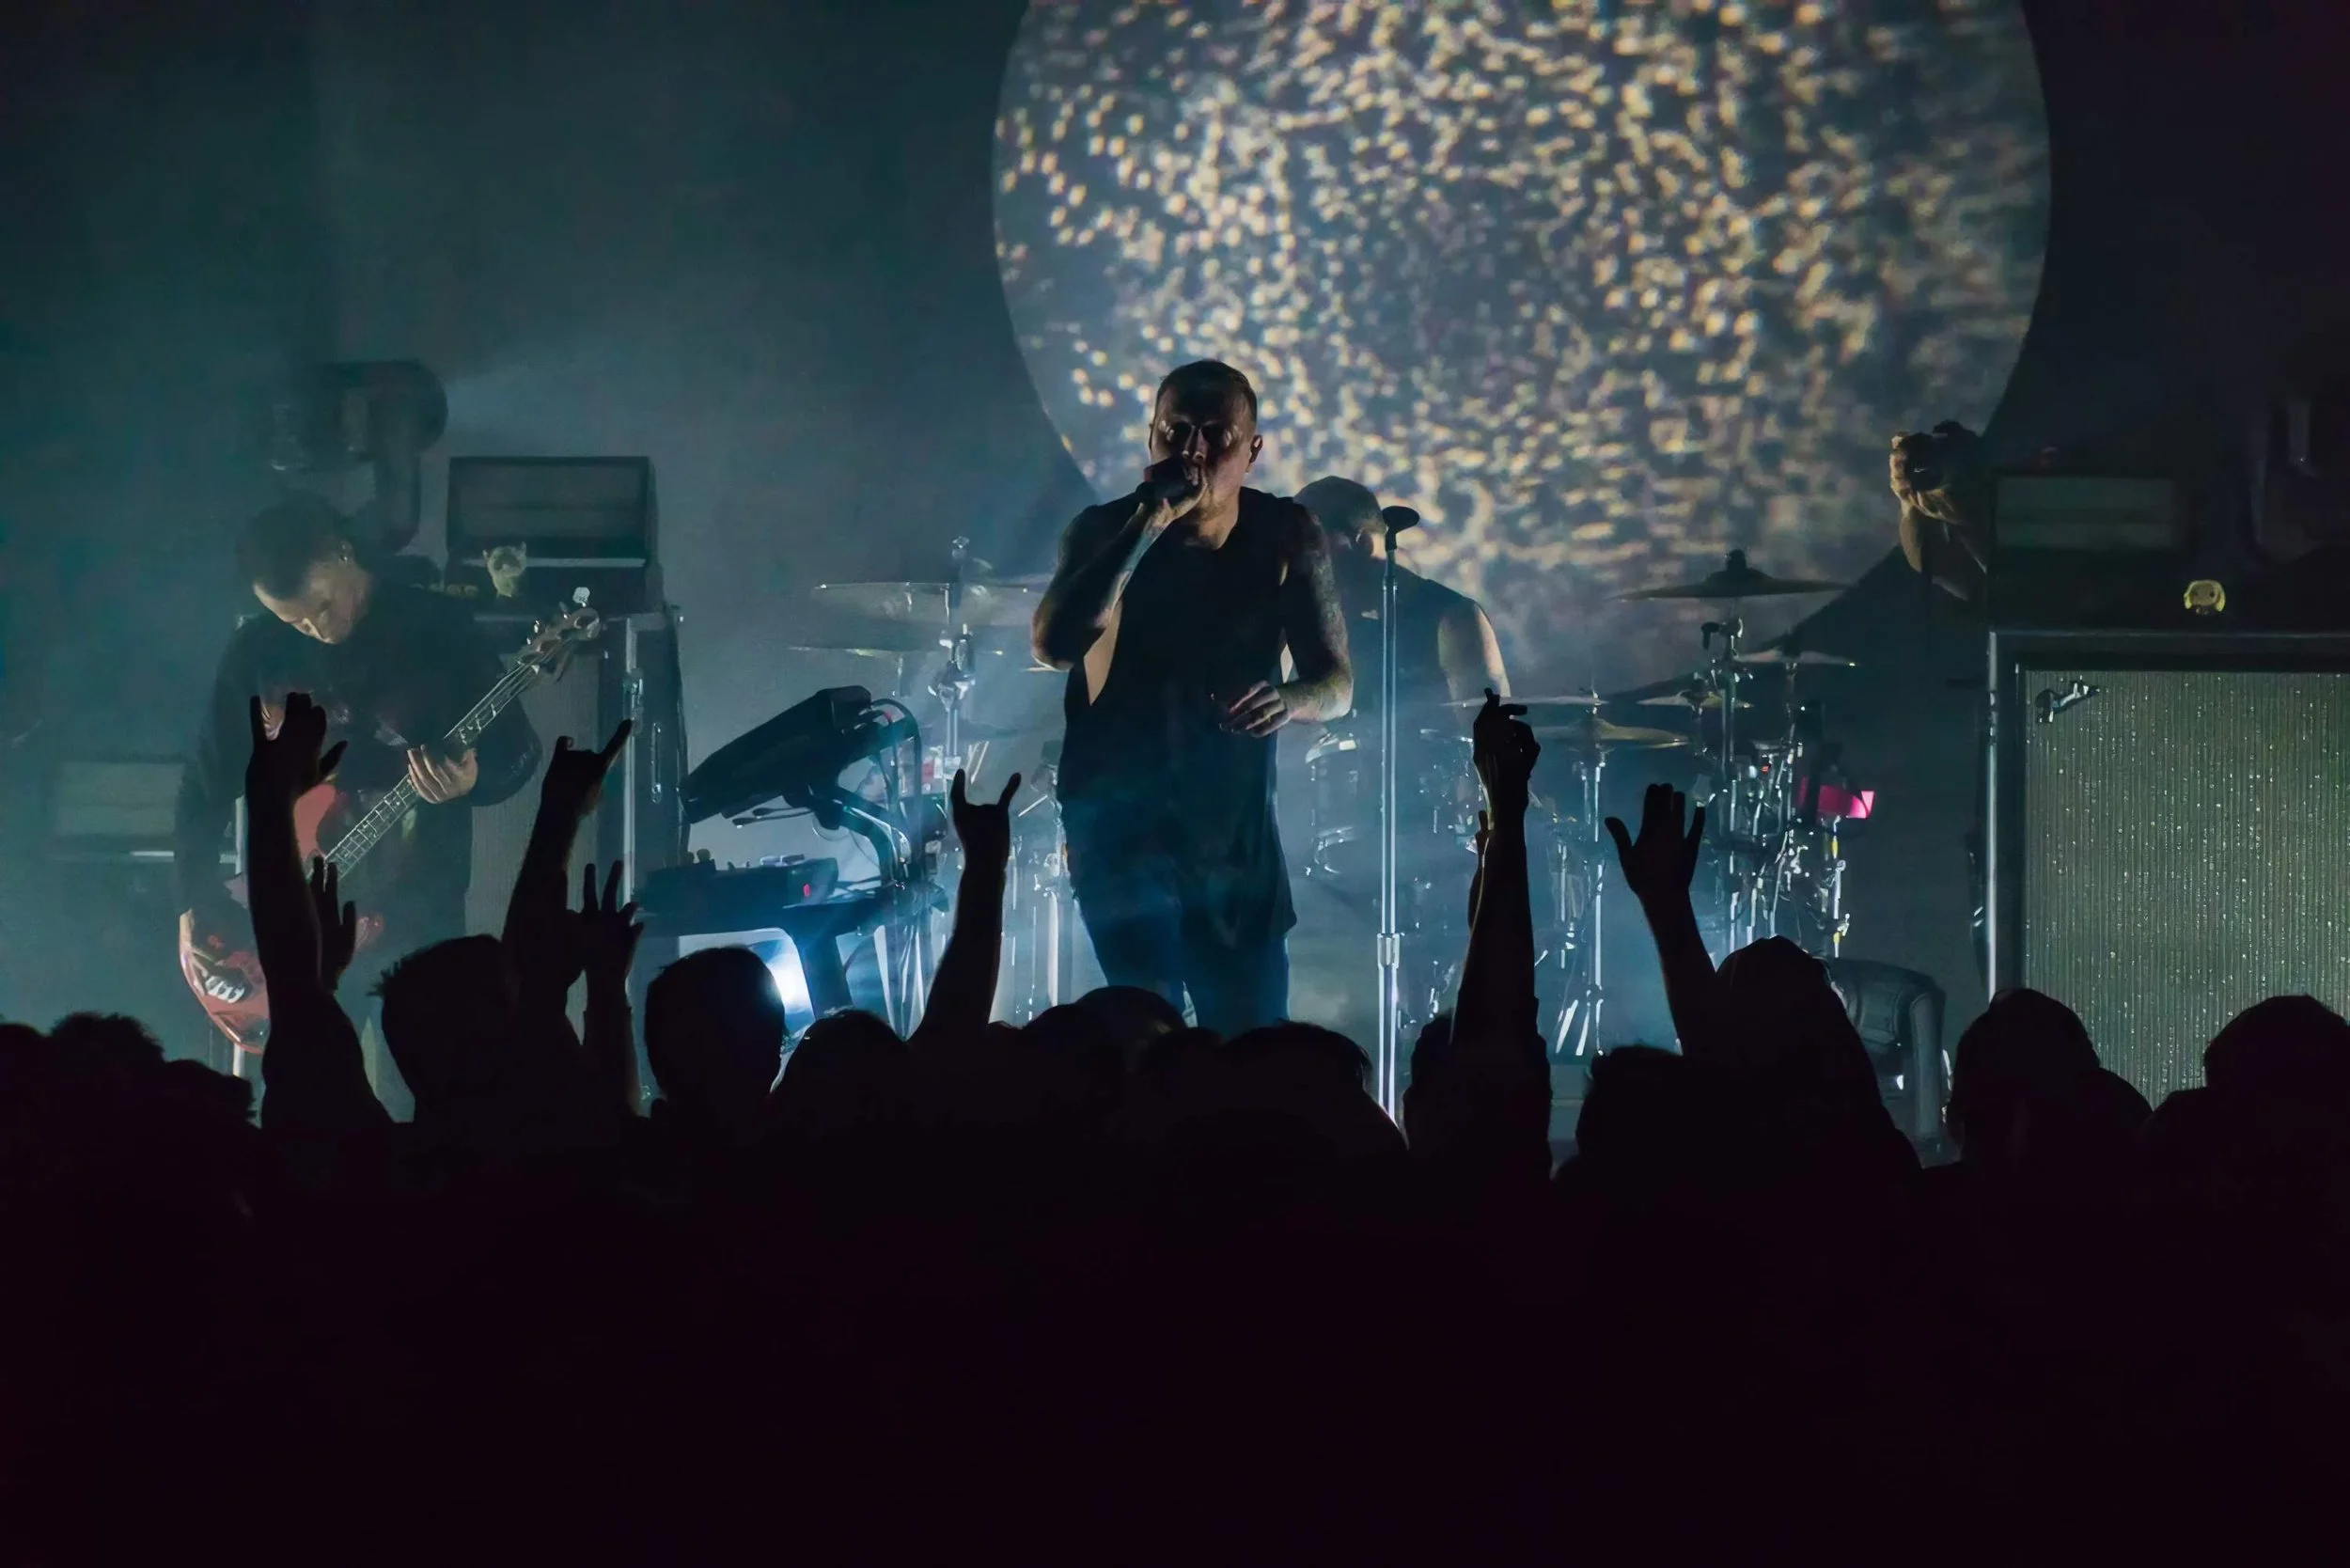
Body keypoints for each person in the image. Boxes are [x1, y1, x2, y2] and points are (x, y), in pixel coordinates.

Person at [174, 494, 540, 1103]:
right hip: (297, 926)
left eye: (321, 605)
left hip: (420, 918)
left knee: (434, 1100)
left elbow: (518, 754)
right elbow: (207, 782)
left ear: (343, 554)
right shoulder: (257, 652)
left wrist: (473, 782)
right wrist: (195, 898)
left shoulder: (439, 628)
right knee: (302, 1109)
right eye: (297, 621)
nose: (316, 627)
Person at [1032, 360, 1351, 1035]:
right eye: (1176, 432)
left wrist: (1288, 700)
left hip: (1233, 839)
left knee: (1253, 1045)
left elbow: (1337, 684)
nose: (1194, 452)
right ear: (1151, 437)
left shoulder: (1287, 534)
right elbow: (1054, 644)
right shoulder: (1102, 531)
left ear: (1253, 450)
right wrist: (1147, 525)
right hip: (1121, 833)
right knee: (1146, 1041)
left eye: (1216, 435)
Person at [1294, 475, 1509, 705]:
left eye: (1315, 550)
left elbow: (1486, 729)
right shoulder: (1328, 625)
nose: (1305, 565)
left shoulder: (1454, 620)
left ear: (1363, 543)